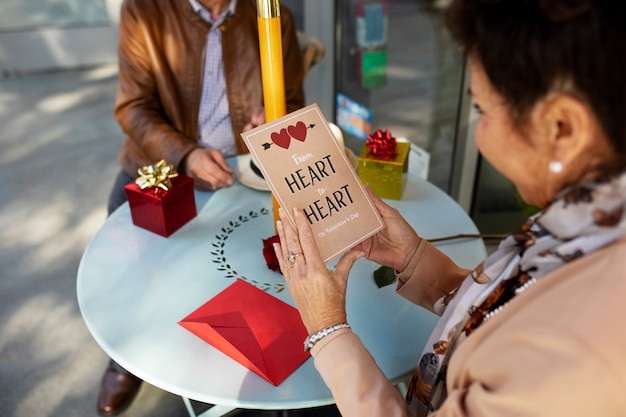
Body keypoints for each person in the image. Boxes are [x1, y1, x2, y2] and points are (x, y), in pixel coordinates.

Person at [274, 0, 626, 416]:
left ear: (561, 127)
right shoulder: (593, 224)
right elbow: (509, 310)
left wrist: (327, 329)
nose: (477, 131)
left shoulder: (579, 357)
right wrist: (415, 260)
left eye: (483, 109)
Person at [98, 0, 305, 415]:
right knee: (128, 261)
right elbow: (133, 107)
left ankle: (226, 370)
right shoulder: (144, 9)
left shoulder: (272, 13)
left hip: (245, 173)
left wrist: (270, 121)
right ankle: (125, 354)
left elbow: (294, 103)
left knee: (254, 275)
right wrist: (186, 154)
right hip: (162, 164)